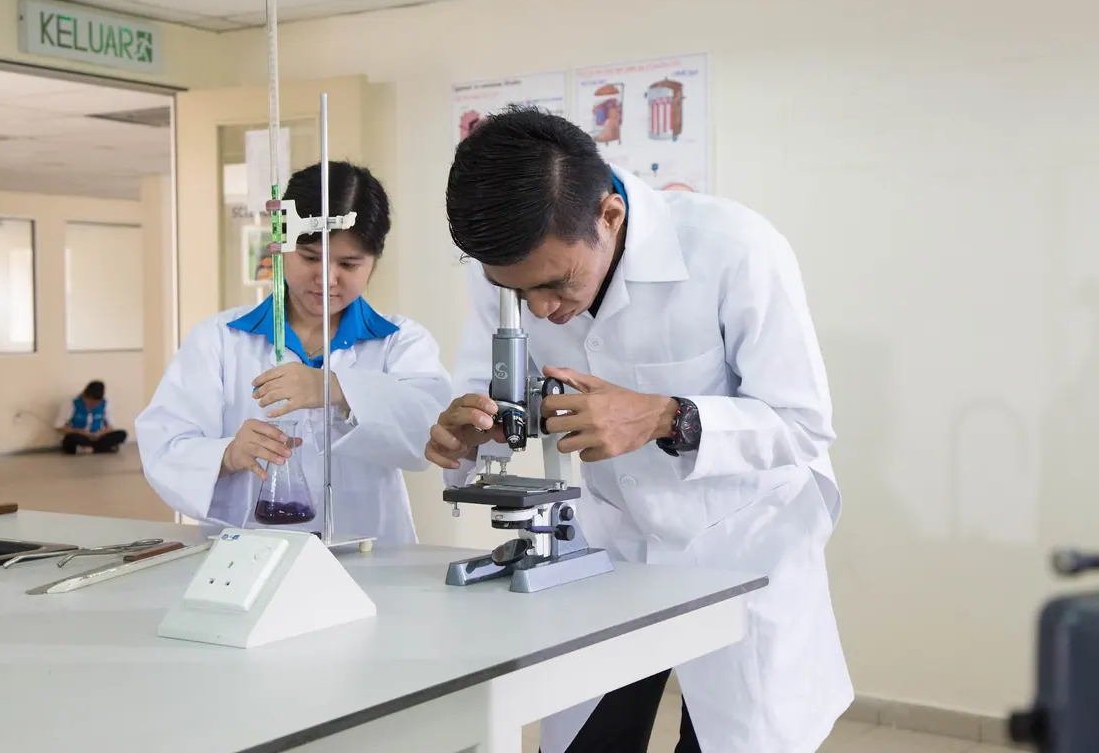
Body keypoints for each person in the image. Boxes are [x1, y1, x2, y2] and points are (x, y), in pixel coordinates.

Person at [425, 107, 852, 753]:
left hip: (741, 549)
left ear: (610, 216)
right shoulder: (513, 272)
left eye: (556, 284)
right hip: (611, 547)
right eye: (515, 291)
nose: (540, 308)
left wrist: (662, 415)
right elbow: (484, 386)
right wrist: (469, 431)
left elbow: (802, 424)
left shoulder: (733, 247)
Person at [137, 162, 451, 542]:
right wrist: (228, 454)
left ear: (374, 261)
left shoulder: (400, 341)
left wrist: (337, 389)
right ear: (280, 246)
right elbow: (164, 445)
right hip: (248, 554)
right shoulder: (219, 339)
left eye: (348, 264)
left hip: (370, 554)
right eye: (309, 257)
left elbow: (431, 432)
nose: (327, 279)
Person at [57, 380, 127, 454]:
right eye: (89, 402)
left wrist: (100, 433)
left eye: (96, 403)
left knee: (122, 434)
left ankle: (88, 450)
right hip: (81, 437)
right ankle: (104, 448)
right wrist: (79, 431)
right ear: (84, 396)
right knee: (69, 440)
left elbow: (111, 427)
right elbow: (59, 427)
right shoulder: (72, 402)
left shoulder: (105, 403)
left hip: (98, 437)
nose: (92, 406)